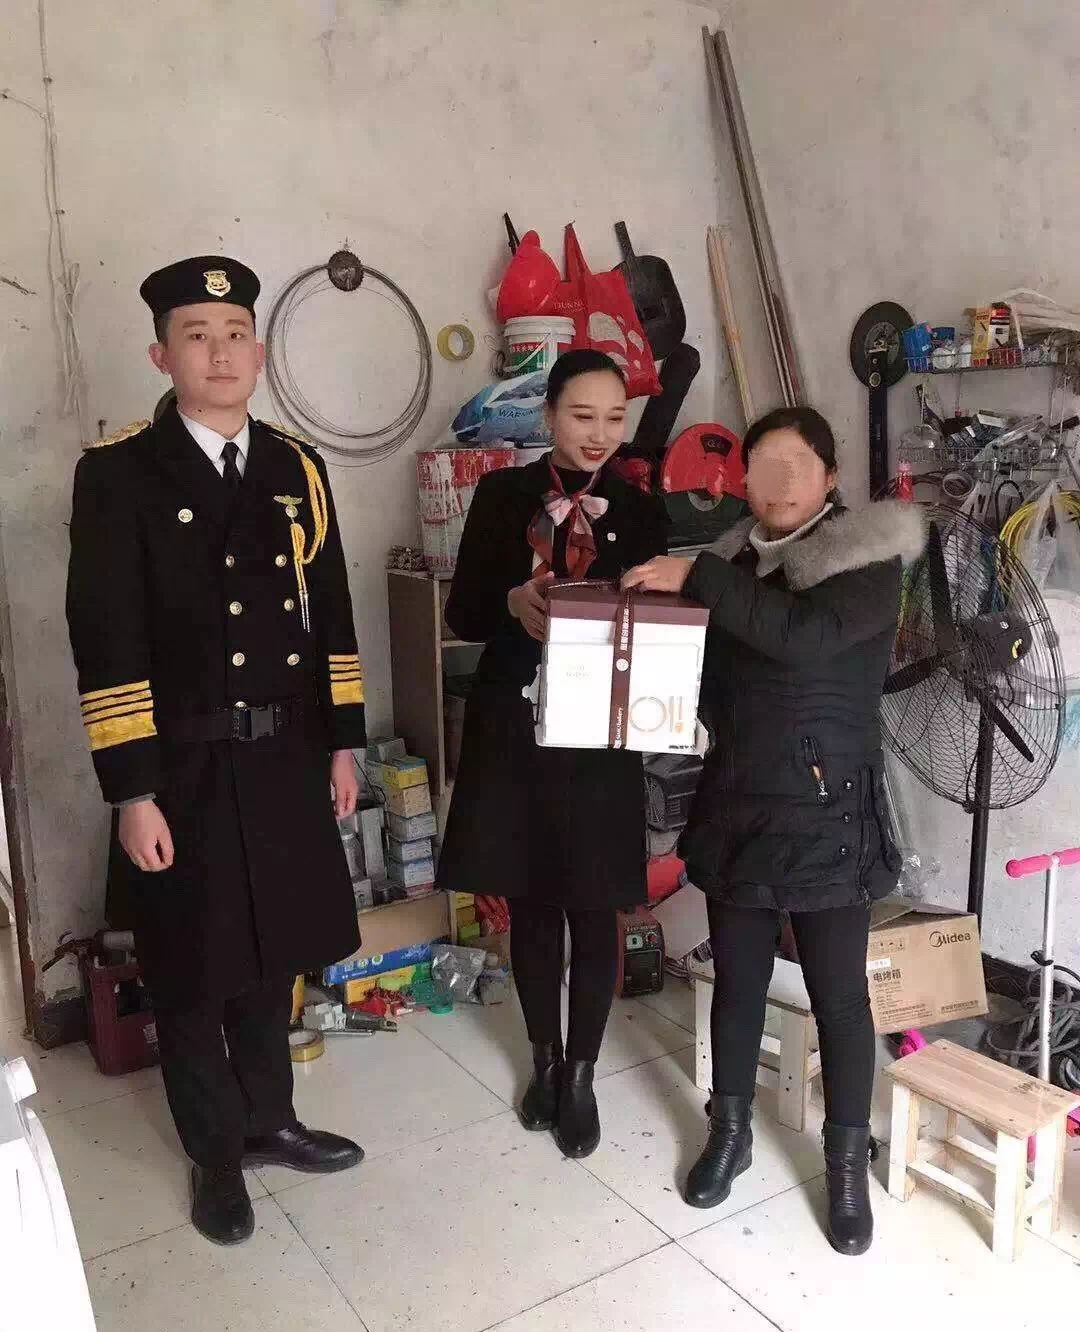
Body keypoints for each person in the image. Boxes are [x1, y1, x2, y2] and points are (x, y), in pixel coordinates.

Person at [66, 256, 367, 1246]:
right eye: (196, 334)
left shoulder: (296, 468)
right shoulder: (118, 473)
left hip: (283, 757)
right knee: (192, 968)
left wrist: (344, 742)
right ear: (162, 355)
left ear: (259, 352)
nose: (220, 352)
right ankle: (215, 1153)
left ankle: (270, 1118)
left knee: (273, 951)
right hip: (182, 768)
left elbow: (332, 613)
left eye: (235, 333)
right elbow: (105, 639)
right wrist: (132, 791)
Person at [624, 406, 925, 1255]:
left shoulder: (867, 560)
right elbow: (709, 676)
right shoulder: (730, 565)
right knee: (738, 983)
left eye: (799, 464)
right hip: (738, 805)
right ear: (742, 480)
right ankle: (729, 1133)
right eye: (764, 465)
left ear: (830, 478)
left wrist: (697, 575)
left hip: (829, 812)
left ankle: (844, 1163)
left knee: (840, 998)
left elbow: (800, 636)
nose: (781, 481)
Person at [437, 349, 668, 1158]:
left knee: (594, 901)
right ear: (548, 415)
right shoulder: (501, 496)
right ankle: (542, 1058)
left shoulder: (640, 510)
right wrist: (511, 600)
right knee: (533, 896)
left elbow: (662, 623)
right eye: (581, 415)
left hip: (601, 727)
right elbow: (464, 613)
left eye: (615, 418)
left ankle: (581, 1074)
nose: (599, 433)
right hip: (517, 717)